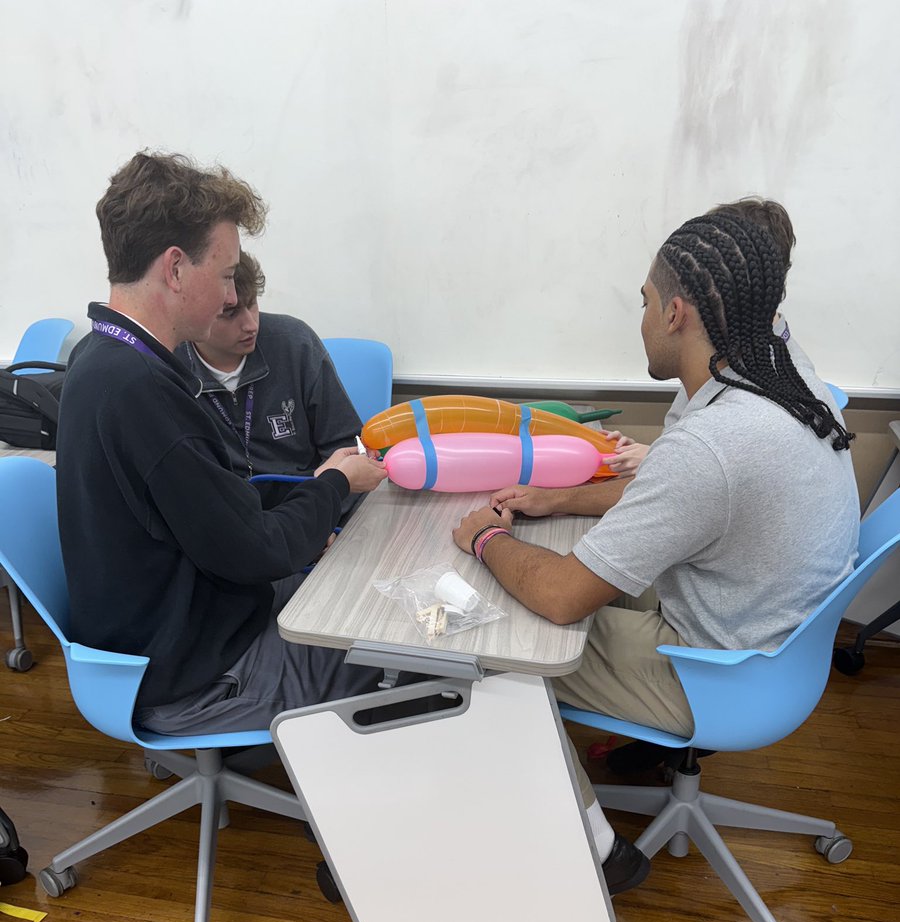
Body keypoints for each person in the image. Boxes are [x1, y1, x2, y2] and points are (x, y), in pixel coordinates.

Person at [452, 211, 859, 884]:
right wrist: (559, 501)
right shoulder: (785, 373)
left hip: (719, 674)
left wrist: (486, 537)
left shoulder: (713, 443)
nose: (639, 317)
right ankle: (635, 757)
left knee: (497, 641)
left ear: (674, 313)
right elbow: (685, 505)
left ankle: (595, 851)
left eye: (643, 302)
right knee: (565, 571)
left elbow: (560, 598)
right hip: (777, 643)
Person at [56, 151, 388, 735]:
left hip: (169, 637)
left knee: (357, 596)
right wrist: (334, 484)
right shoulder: (142, 392)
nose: (232, 293)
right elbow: (255, 551)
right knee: (402, 657)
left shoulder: (100, 359)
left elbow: (225, 518)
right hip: (194, 676)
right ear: (177, 269)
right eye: (228, 272)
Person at [603, 197, 825, 481]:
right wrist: (658, 456)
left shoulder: (752, 403)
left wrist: (664, 463)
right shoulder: (725, 360)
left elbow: (699, 467)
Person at [175, 251, 364, 515]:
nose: (251, 324)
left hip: (311, 510)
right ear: (193, 312)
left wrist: (324, 522)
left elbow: (350, 449)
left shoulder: (296, 344)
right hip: (230, 527)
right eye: (230, 314)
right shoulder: (167, 369)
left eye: (252, 304)